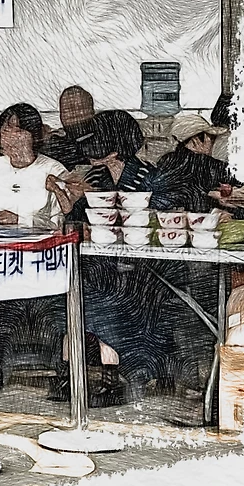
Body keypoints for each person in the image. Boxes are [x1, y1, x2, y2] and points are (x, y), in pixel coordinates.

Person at [45, 110, 160, 406]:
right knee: (75, 288)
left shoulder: (147, 175)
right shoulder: (96, 175)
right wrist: (64, 194)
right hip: (102, 259)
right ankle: (70, 371)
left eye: (96, 141)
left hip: (141, 265)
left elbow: (153, 221)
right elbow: (75, 217)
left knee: (104, 295)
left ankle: (114, 377)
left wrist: (100, 201)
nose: (88, 148)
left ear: (116, 144)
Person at [0, 104, 68, 392]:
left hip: (42, 259)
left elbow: (58, 221)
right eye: (5, 130)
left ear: (34, 135)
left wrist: (21, 219)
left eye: (17, 130)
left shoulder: (53, 170)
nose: (10, 138)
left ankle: (64, 369)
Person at [152, 112, 233, 213]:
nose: (212, 142)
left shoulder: (166, 159)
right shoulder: (204, 162)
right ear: (196, 141)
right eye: (210, 137)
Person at [38, 86, 97, 171]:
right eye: (67, 110)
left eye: (80, 108)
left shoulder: (103, 139)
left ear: (92, 112)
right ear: (61, 115)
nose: (74, 114)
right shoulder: (53, 142)